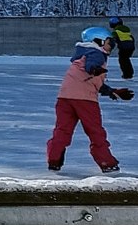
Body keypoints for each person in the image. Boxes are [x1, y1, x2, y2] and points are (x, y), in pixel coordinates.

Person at [47, 26, 132, 174]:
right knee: (95, 132)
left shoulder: (81, 54)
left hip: (64, 97)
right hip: (85, 100)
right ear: (98, 41)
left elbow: (90, 81)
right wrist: (93, 69)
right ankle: (107, 162)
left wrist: (112, 91)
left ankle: (54, 160)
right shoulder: (97, 53)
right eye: (109, 42)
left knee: (62, 130)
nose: (112, 45)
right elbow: (91, 67)